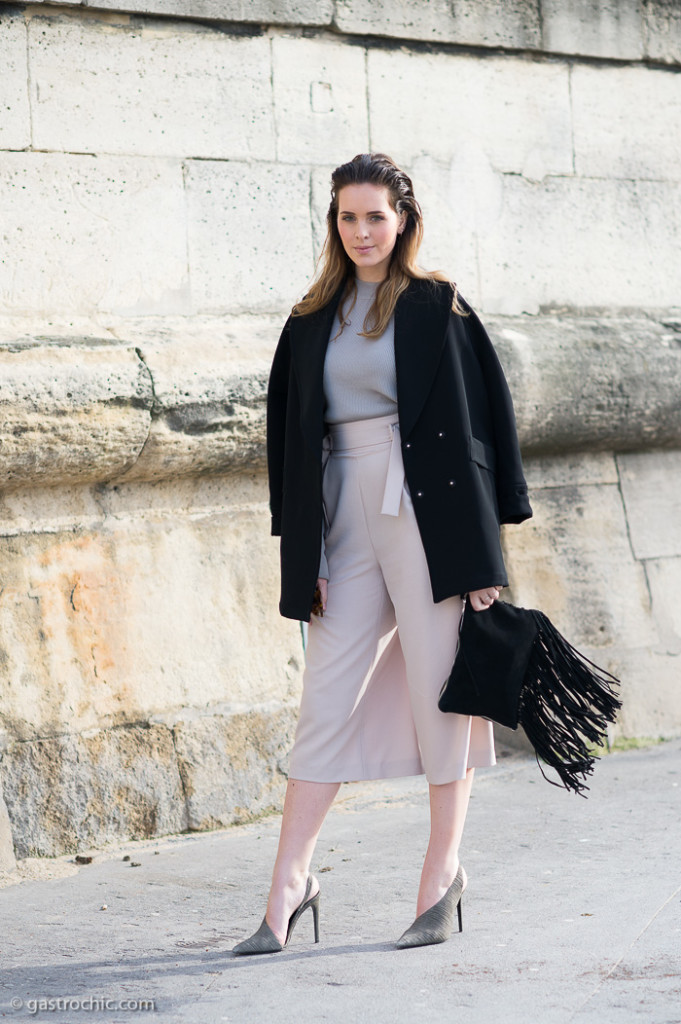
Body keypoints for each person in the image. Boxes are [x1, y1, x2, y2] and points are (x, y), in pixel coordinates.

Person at [233, 153, 532, 955]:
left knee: (443, 688)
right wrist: (304, 548)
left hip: (428, 512)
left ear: (402, 219)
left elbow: (484, 426)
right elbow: (285, 441)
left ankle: (440, 876)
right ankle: (289, 883)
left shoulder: (437, 306)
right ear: (332, 224)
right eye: (345, 217)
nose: (360, 231)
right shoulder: (308, 319)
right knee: (323, 698)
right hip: (339, 510)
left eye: (373, 216)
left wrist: (482, 561)